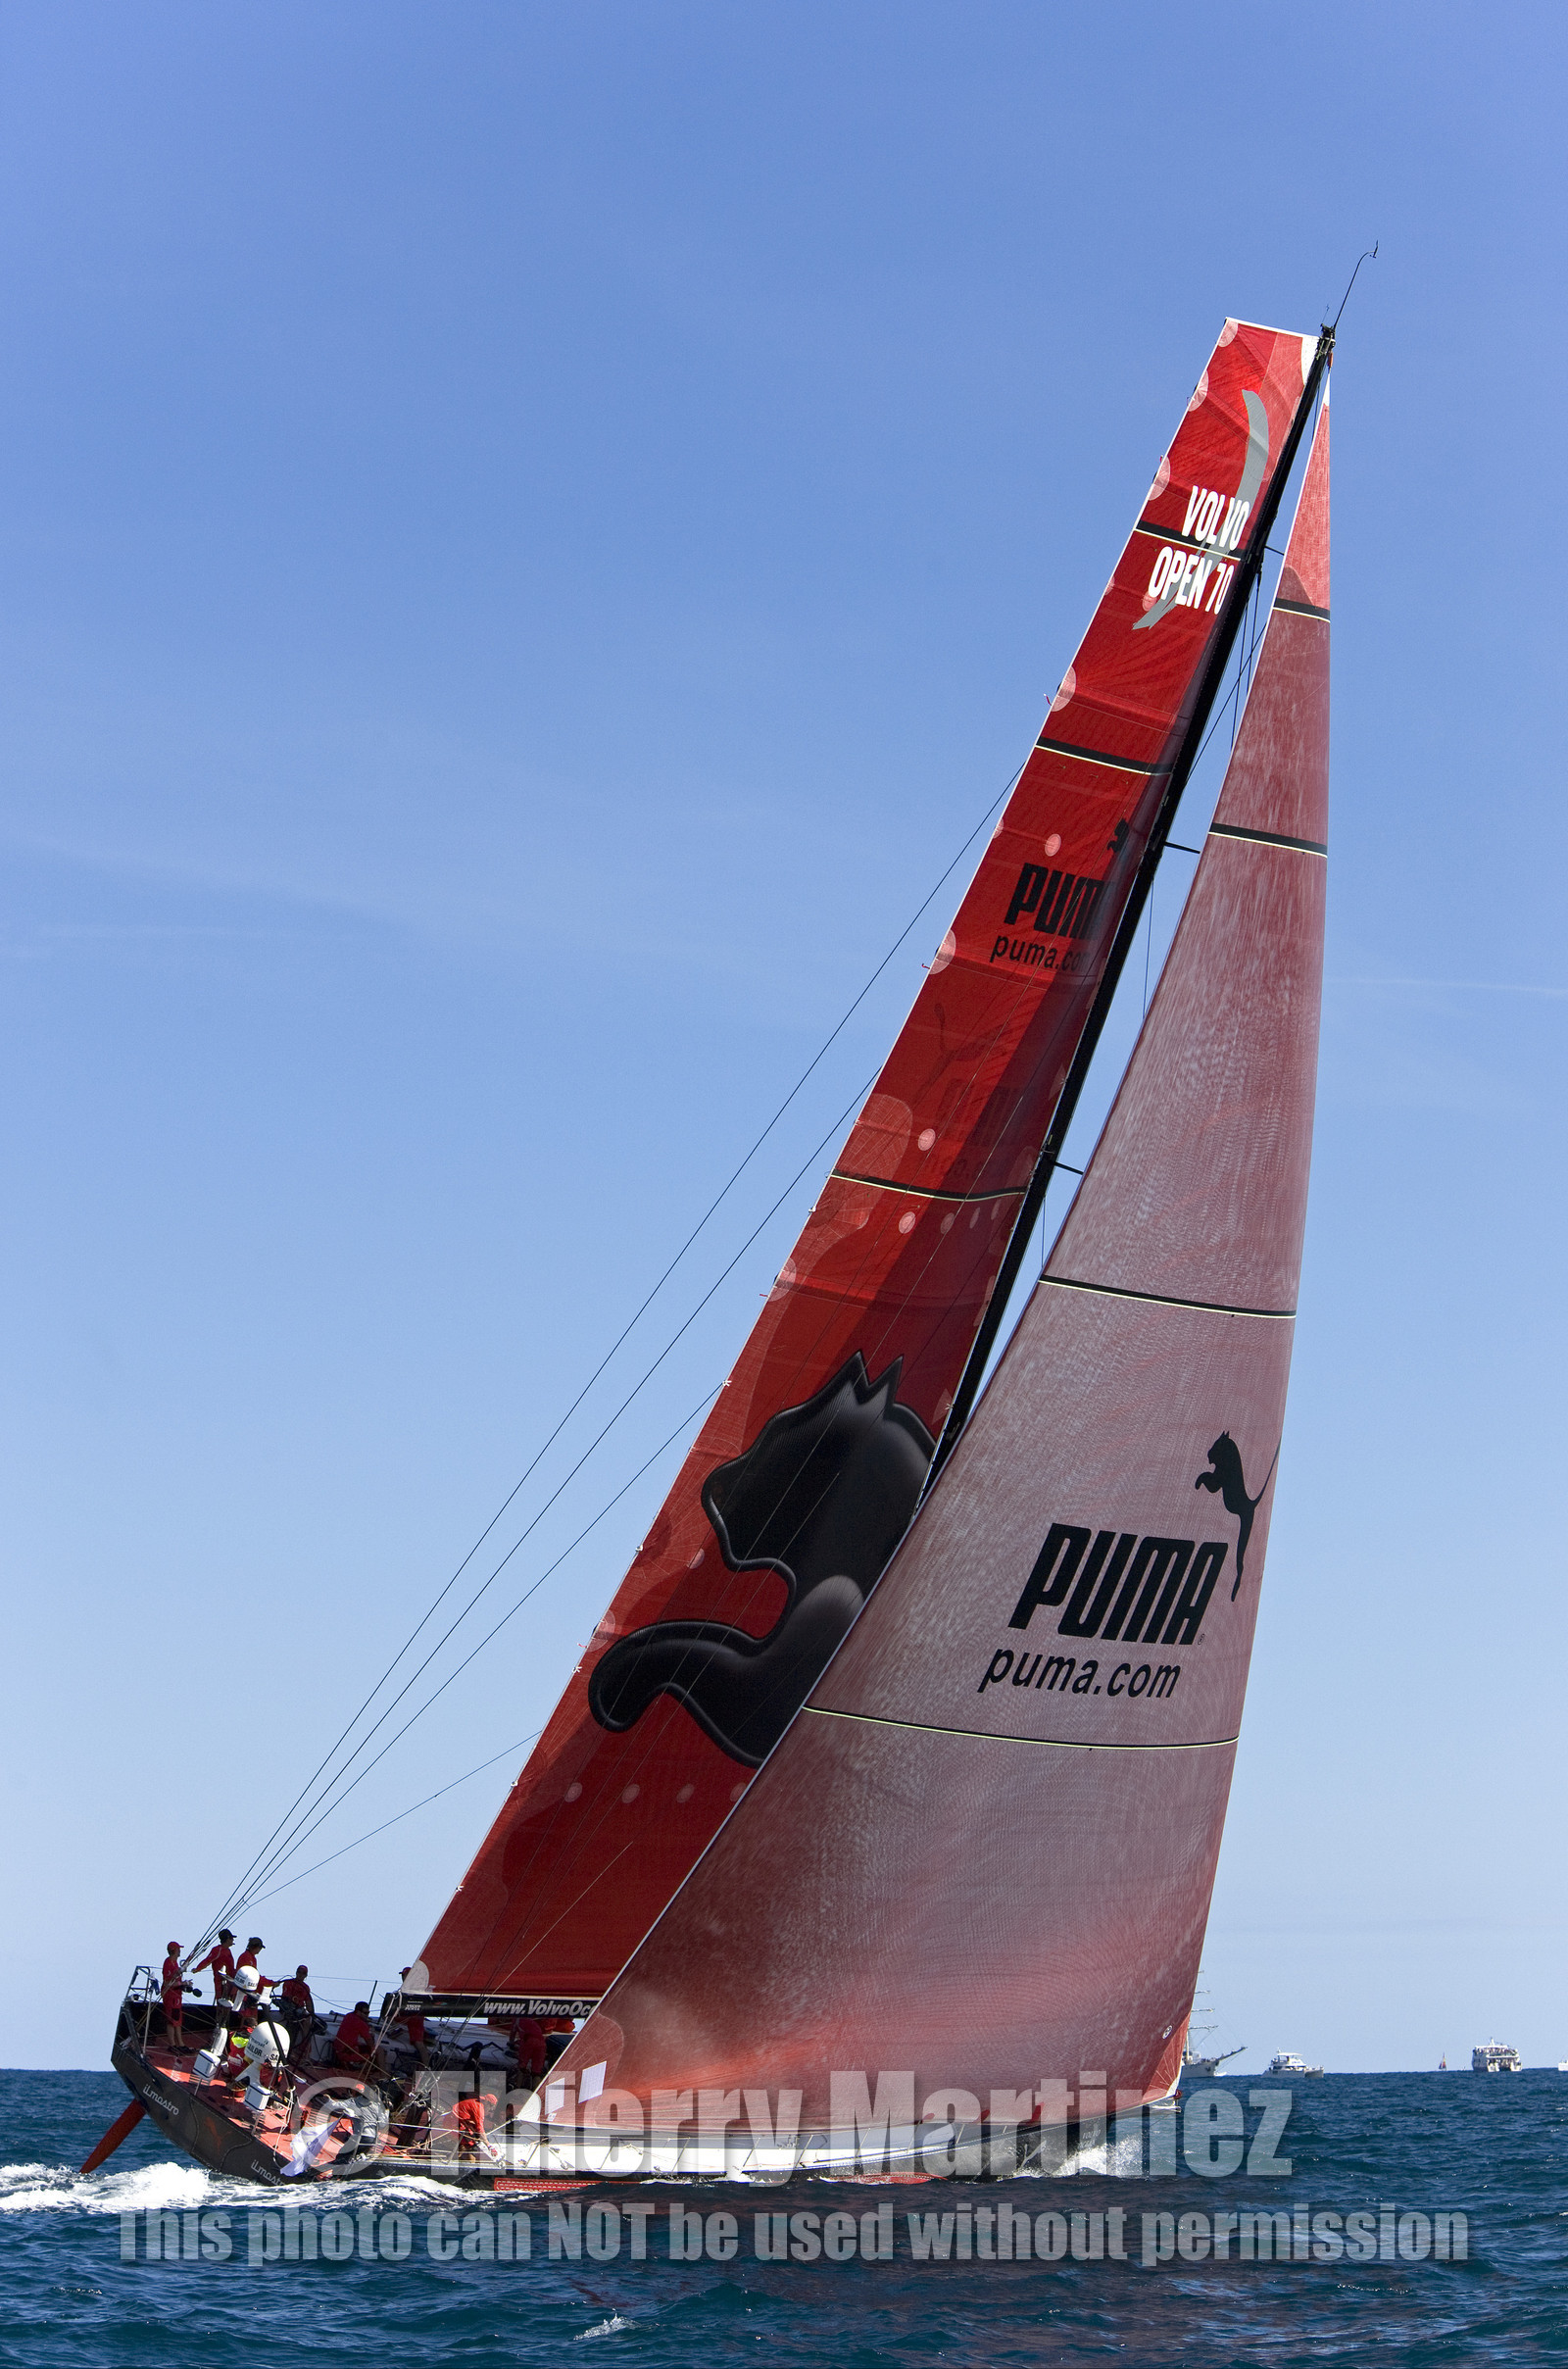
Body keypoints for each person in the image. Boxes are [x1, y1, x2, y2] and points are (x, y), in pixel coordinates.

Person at [160, 1943, 194, 2053]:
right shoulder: (168, 1963)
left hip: (177, 1995)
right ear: (174, 1950)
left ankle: (180, 2044)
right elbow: (167, 1982)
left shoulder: (174, 1963)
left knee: (177, 2020)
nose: (180, 1951)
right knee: (172, 2020)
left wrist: (184, 1983)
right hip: (171, 1996)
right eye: (178, 1949)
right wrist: (181, 1983)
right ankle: (173, 2044)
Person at [191, 1931, 236, 2010]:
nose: (233, 1940)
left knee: (230, 2002)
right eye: (232, 1938)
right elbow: (208, 1960)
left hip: (230, 1981)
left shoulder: (228, 1951)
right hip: (220, 1981)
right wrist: (198, 1969)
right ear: (227, 1939)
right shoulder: (217, 1950)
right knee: (221, 2001)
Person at [333, 2001, 378, 2071]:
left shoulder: (348, 2016)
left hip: (337, 2051)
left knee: (362, 2047)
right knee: (378, 2051)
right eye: (365, 2013)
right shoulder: (361, 2023)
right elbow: (370, 2043)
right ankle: (381, 2074)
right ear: (358, 2012)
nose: (367, 2015)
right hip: (347, 2053)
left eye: (368, 2013)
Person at [454, 2091, 497, 2163]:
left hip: (456, 2120)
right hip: (455, 2123)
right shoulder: (479, 2108)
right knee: (471, 2144)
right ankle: (464, 2162)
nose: (490, 2109)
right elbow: (480, 2128)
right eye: (491, 2106)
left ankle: (458, 2158)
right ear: (487, 2103)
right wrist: (489, 2146)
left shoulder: (475, 2102)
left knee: (471, 2141)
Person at [510, 2013, 547, 2089]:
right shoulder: (532, 2022)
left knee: (522, 2067)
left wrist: (511, 2043)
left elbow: (512, 2033)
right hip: (542, 2043)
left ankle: (517, 2088)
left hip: (529, 2041)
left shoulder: (517, 2019)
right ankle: (536, 2092)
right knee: (536, 2072)